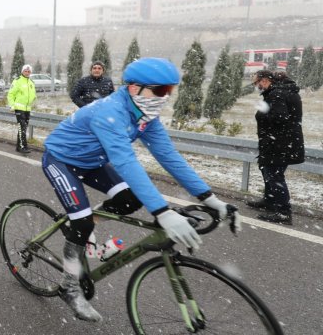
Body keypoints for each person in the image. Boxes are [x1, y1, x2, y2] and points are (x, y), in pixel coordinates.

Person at [42, 57, 242, 322]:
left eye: (169, 91)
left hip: (92, 163)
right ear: (135, 88)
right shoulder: (109, 112)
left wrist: (211, 198)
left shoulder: (144, 116)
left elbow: (169, 157)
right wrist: (162, 212)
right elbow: (125, 162)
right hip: (61, 160)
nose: (166, 97)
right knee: (80, 221)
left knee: (130, 200)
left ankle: (86, 227)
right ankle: (69, 286)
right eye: (160, 90)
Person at [247, 70, 303, 225]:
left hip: (279, 144)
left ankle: (283, 213)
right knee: (268, 171)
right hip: (280, 142)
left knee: (275, 175)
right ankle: (270, 202)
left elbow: (280, 118)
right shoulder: (281, 92)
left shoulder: (277, 94)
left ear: (265, 80)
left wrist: (263, 112)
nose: (256, 85)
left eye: (257, 82)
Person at [7, 64, 36, 153]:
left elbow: (33, 95)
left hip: (27, 109)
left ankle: (19, 146)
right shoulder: (17, 81)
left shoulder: (31, 82)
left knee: (23, 128)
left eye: (29, 71)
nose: (27, 73)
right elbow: (10, 94)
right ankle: (23, 146)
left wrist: (33, 101)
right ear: (22, 71)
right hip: (19, 108)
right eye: (25, 71)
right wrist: (12, 105)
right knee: (22, 126)